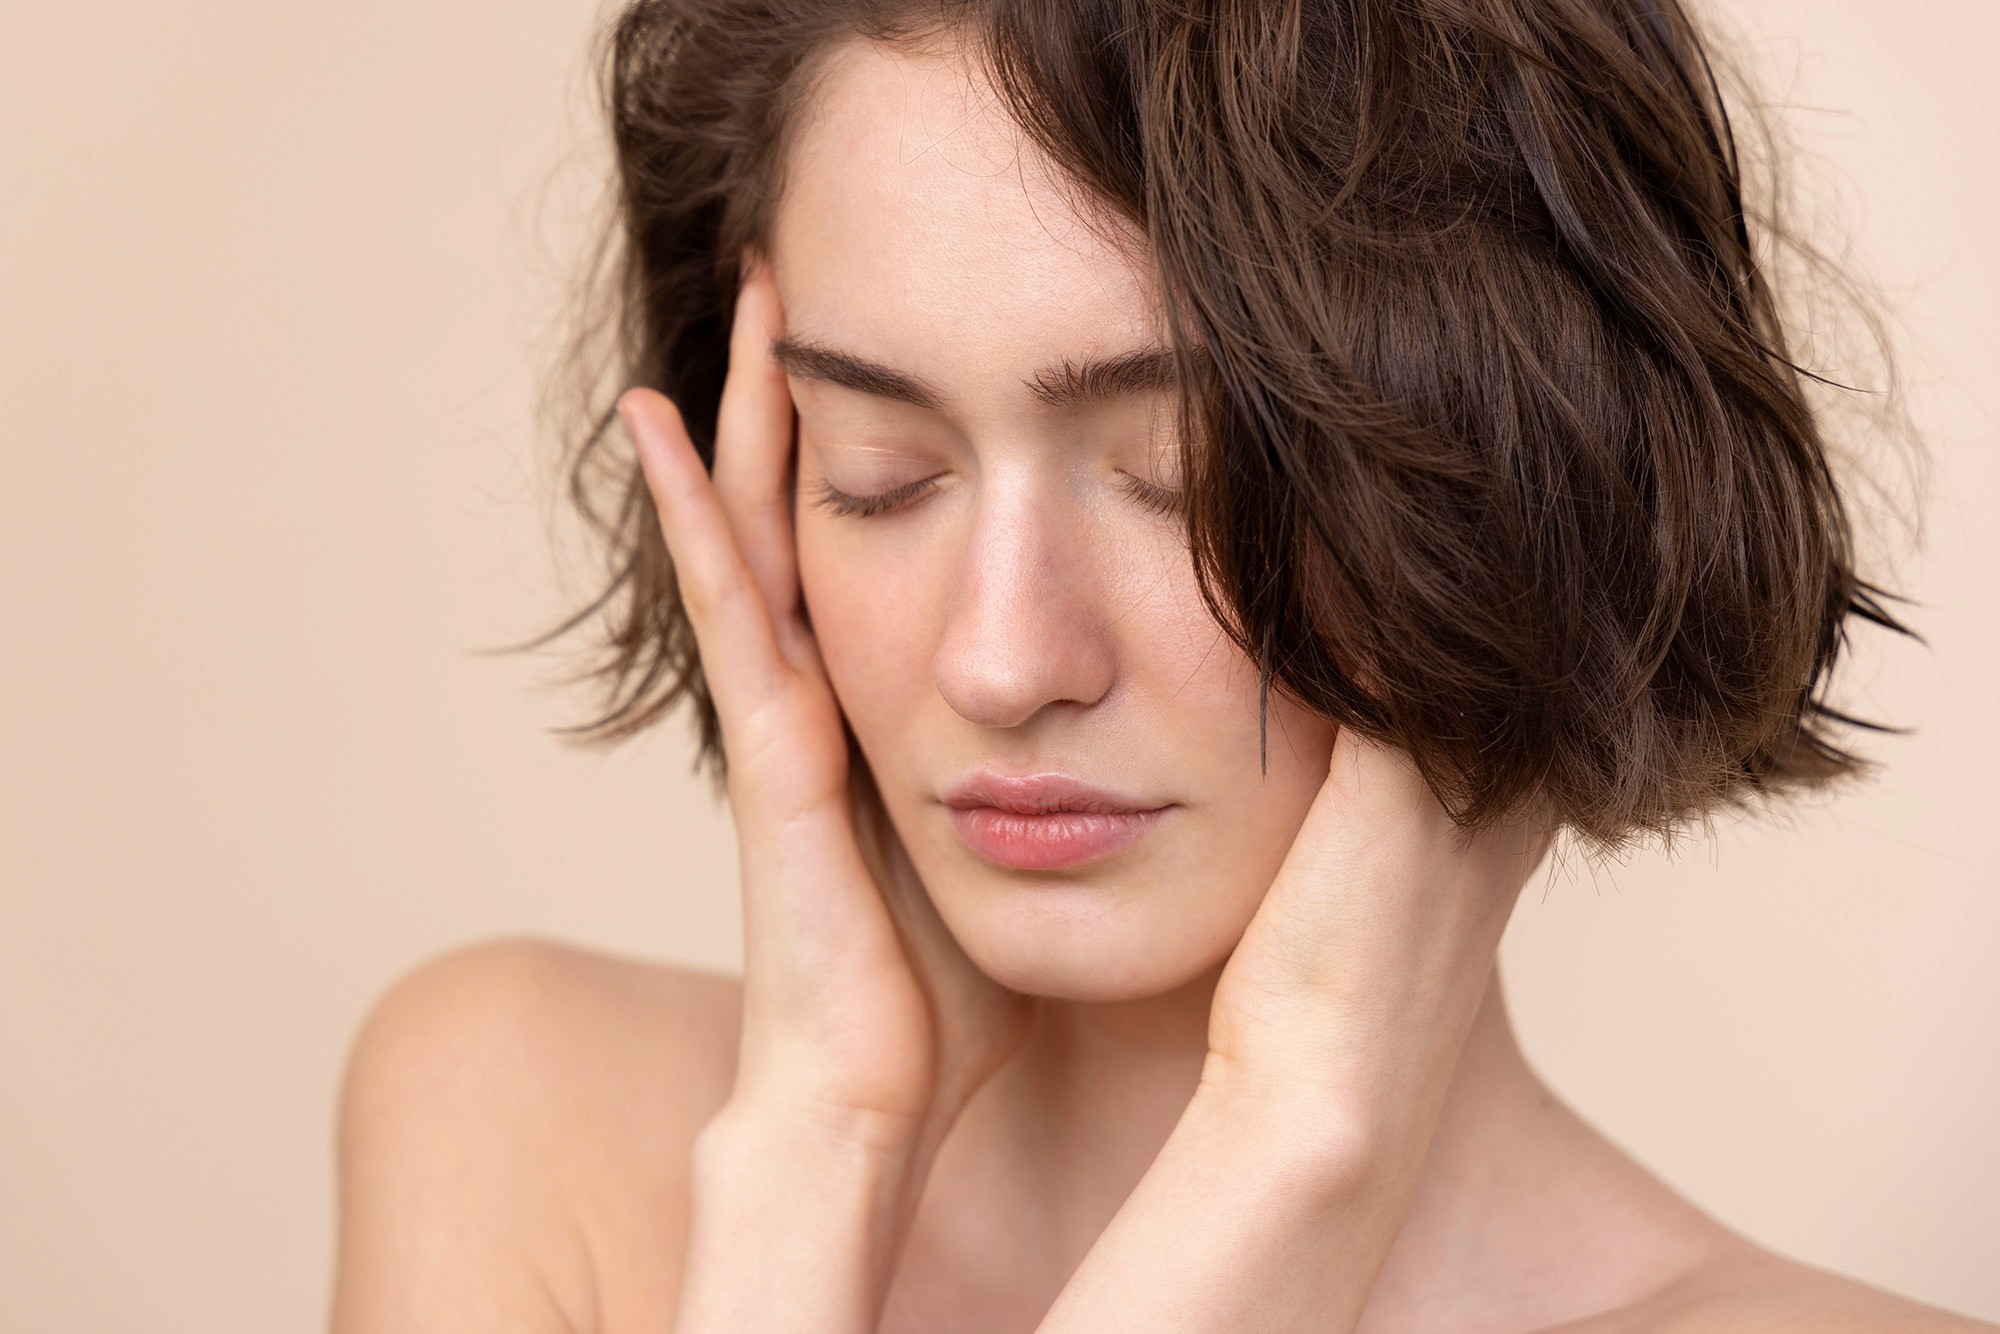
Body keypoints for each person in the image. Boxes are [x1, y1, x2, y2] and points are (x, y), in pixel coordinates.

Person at [329, 0, 1991, 1329]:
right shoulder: (518, 1119)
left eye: (1185, 478)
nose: (998, 658)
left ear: (1507, 486)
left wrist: (1295, 1144)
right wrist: (815, 1162)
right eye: (879, 470)